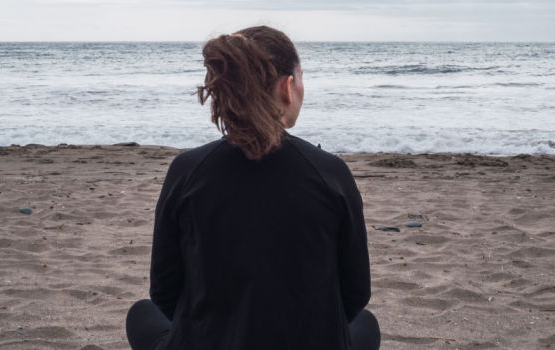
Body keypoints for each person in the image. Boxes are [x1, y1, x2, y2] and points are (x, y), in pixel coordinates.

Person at [126, 25, 380, 350]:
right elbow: (356, 294)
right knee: (366, 323)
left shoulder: (186, 171)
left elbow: (163, 293)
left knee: (142, 313)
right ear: (288, 87)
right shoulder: (331, 173)